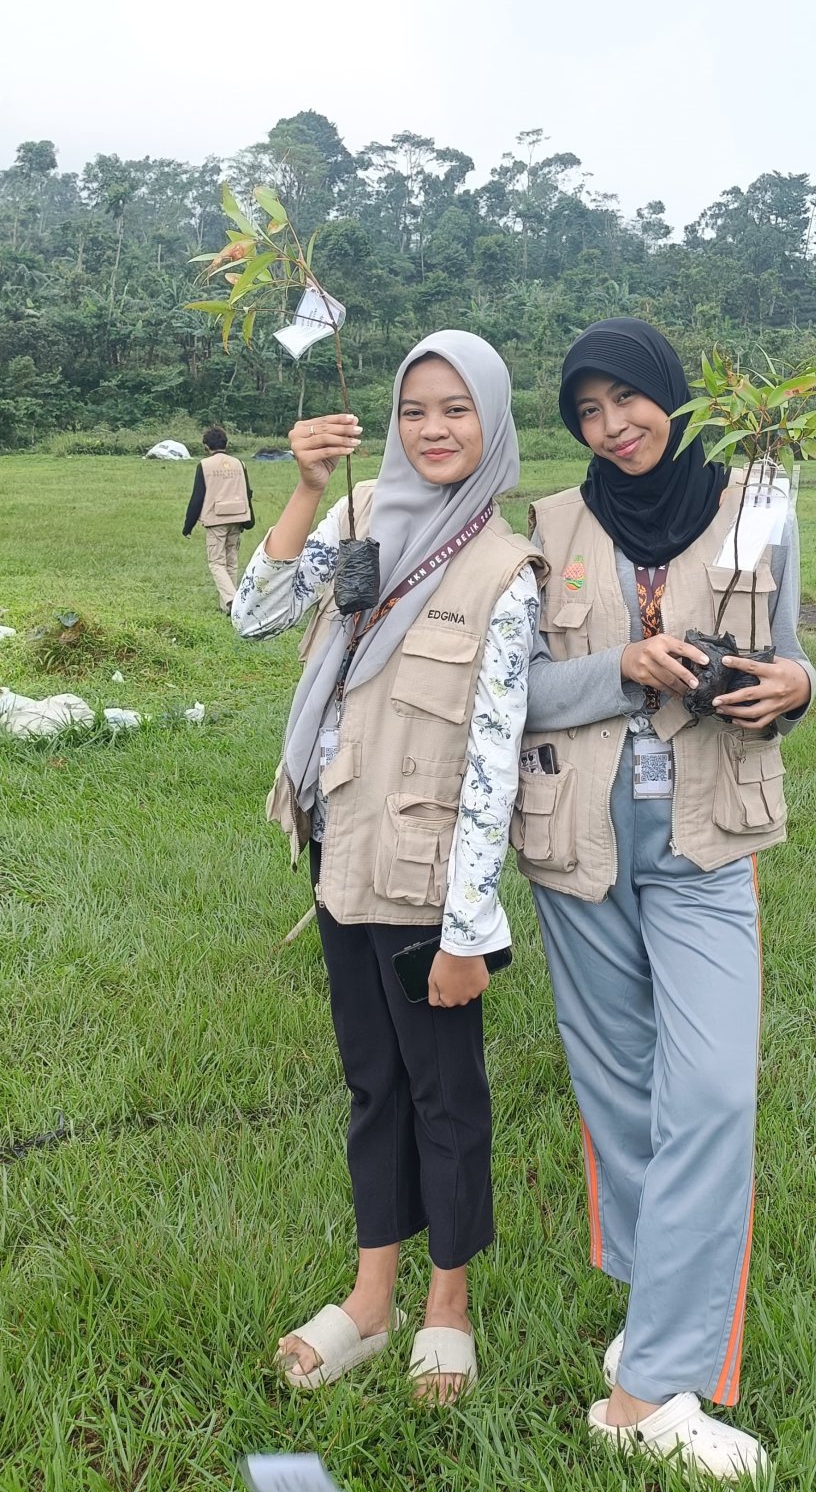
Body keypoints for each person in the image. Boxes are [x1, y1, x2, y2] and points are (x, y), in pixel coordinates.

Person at [518, 318, 815, 1482]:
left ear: (670, 397)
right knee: (621, 1092)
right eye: (587, 412)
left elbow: (787, 660)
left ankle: (645, 1393)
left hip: (705, 838)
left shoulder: (757, 502)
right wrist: (621, 670)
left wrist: (795, 683)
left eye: (626, 401)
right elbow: (524, 696)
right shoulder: (551, 524)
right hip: (576, 843)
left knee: (709, 1089)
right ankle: (654, 1332)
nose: (612, 427)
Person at [232, 333, 543, 1403]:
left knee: (443, 1095)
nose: (434, 429)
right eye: (414, 410)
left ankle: (445, 1307)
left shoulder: (505, 569)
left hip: (426, 877)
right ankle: (371, 1300)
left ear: (491, 421)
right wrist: (307, 486)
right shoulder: (358, 519)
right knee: (372, 1085)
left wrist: (469, 931)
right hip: (339, 849)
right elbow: (252, 614)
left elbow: (494, 759)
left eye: (456, 409)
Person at [181, 425, 254, 612]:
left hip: (216, 520)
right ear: (226, 443)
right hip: (238, 517)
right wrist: (249, 518)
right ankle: (227, 608)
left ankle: (232, 601)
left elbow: (197, 497)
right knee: (232, 562)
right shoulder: (239, 463)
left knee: (216, 562)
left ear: (206, 446)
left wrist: (188, 526)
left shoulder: (204, 465)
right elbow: (247, 493)